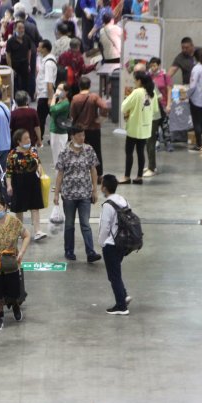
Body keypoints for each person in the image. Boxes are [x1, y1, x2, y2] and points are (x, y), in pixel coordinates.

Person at [0, 195, 31, 330]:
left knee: (13, 291)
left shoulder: (14, 222)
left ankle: (15, 306)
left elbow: (27, 235)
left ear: (5, 207)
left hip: (10, 264)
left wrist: (21, 253)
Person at [54, 126, 102, 262]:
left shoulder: (89, 150)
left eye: (83, 135)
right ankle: (69, 250)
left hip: (85, 194)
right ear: (72, 136)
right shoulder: (64, 152)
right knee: (69, 224)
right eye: (80, 135)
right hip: (68, 195)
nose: (82, 138)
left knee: (85, 224)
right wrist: (56, 194)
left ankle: (91, 252)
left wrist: (94, 189)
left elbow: (93, 170)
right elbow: (60, 174)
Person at [98, 174, 132, 315]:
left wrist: (101, 243)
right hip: (123, 242)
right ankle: (123, 295)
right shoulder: (122, 200)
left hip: (111, 244)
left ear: (104, 188)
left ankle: (121, 306)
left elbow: (105, 227)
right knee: (115, 273)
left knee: (114, 275)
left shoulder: (108, 205)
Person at [7, 129, 47, 241]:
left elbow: (38, 162)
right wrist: (9, 185)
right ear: (19, 141)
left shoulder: (33, 150)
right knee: (19, 208)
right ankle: (20, 230)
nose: (28, 140)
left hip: (33, 180)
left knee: (35, 207)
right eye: (25, 138)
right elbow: (9, 172)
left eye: (29, 137)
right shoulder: (12, 154)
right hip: (19, 181)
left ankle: (38, 231)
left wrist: (39, 169)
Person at [120, 71, 156, 184]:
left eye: (135, 80)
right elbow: (155, 110)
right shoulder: (152, 92)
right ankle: (139, 176)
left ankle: (126, 177)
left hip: (134, 127)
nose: (134, 82)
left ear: (139, 81)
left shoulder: (137, 92)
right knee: (141, 152)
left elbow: (124, 106)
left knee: (129, 152)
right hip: (145, 128)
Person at [70, 76, 108, 183]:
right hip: (94, 129)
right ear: (90, 85)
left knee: (80, 152)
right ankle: (99, 175)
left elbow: (72, 116)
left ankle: (81, 174)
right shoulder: (94, 97)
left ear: (79, 86)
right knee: (96, 151)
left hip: (80, 131)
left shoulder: (75, 98)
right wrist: (100, 118)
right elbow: (104, 107)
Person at [146, 57, 173, 165]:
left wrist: (169, 104)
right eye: (151, 65)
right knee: (154, 125)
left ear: (159, 65)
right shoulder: (148, 77)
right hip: (152, 105)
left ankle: (168, 143)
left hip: (163, 104)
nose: (153, 67)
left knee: (165, 124)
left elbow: (169, 90)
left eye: (155, 65)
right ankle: (156, 143)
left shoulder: (164, 76)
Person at [36, 39, 57, 142]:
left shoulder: (48, 63)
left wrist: (49, 98)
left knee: (40, 119)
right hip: (43, 94)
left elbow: (49, 82)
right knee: (53, 117)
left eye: (39, 47)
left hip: (45, 96)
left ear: (45, 49)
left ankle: (39, 139)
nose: (38, 49)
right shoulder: (45, 60)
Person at [6, 20, 33, 96]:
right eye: (19, 28)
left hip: (24, 63)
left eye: (23, 28)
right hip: (15, 64)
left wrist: (28, 64)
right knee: (15, 84)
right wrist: (10, 68)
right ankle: (16, 99)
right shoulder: (10, 41)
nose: (21, 30)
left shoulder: (27, 39)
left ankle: (25, 98)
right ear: (15, 29)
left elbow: (29, 51)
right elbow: (8, 55)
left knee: (25, 83)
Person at [49, 83, 71, 165]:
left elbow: (52, 109)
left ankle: (60, 176)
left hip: (59, 133)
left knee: (59, 158)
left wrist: (54, 97)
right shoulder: (60, 101)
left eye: (61, 89)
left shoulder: (65, 103)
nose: (58, 91)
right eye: (57, 88)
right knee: (56, 157)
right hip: (55, 131)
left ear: (66, 92)